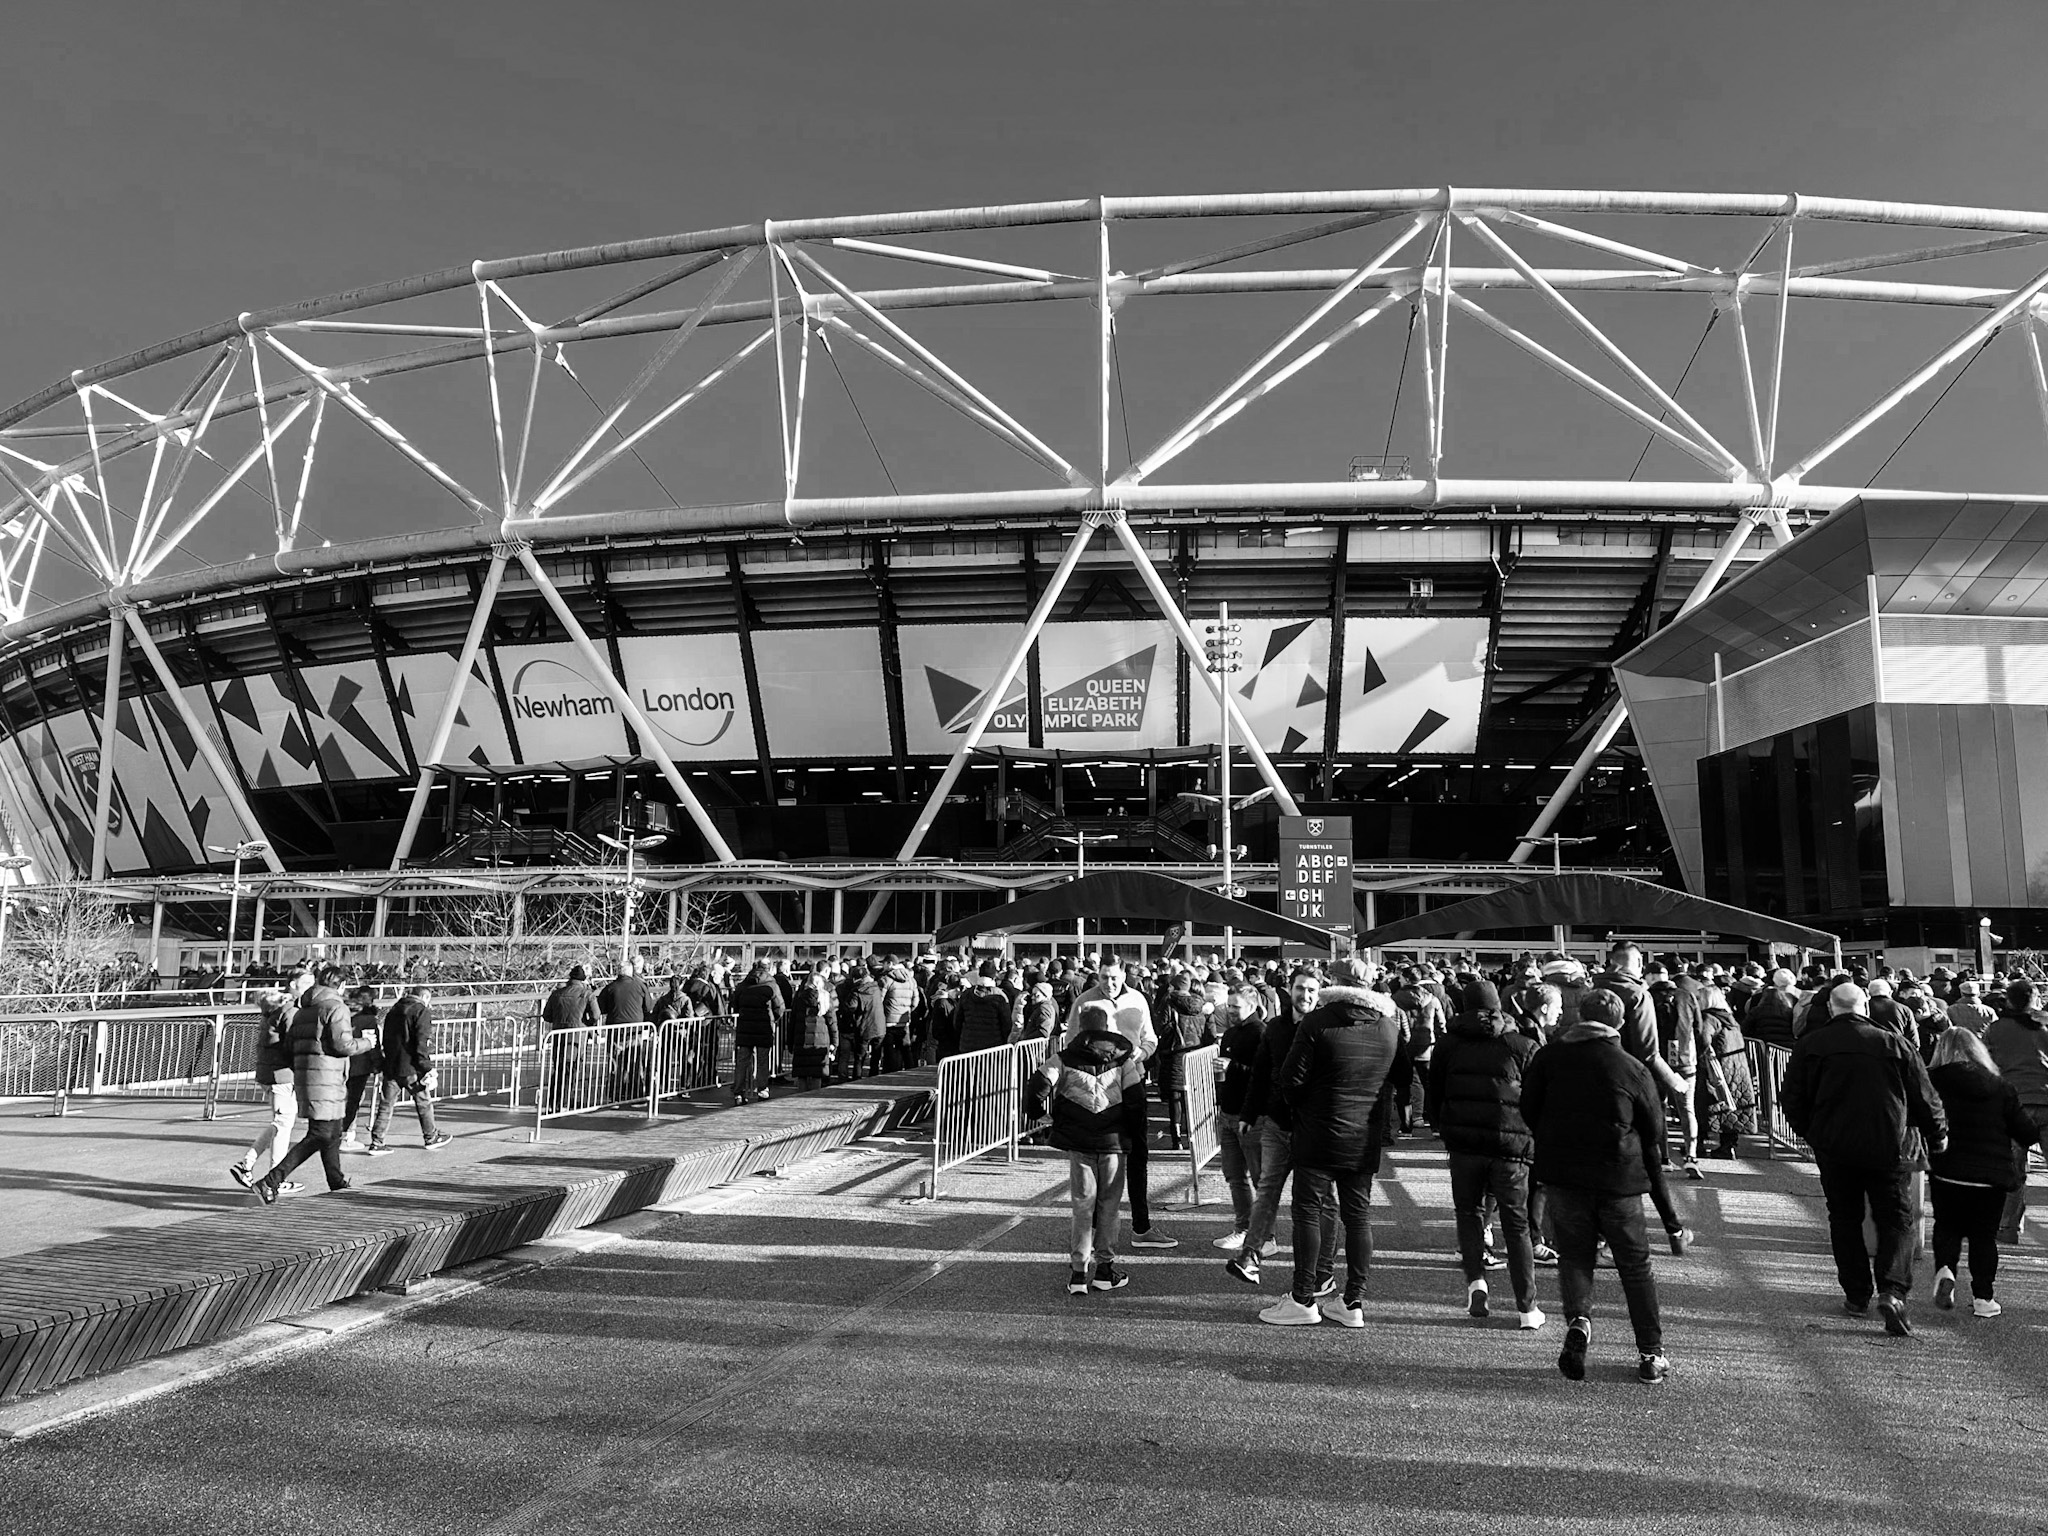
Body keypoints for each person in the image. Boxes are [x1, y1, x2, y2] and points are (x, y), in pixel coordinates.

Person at [1520, 987, 1671, 1383]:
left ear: (1579, 1016)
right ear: (1620, 1022)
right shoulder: (1631, 1067)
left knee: (1574, 1257)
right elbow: (1653, 1129)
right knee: (1635, 1266)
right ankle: (1651, 1352)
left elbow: (1529, 1109)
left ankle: (1579, 1321)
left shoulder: (1548, 1058)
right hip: (1619, 1179)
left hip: (1565, 1176)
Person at [1781, 981, 1949, 1336]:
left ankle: (1856, 1295)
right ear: (1866, 1008)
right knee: (1896, 1218)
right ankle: (1893, 1290)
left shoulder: (1811, 1045)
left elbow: (1792, 1098)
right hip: (1888, 1143)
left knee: (1844, 1218)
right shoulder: (1895, 1044)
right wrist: (1937, 1134)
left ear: (1832, 1009)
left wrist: (1813, 1134)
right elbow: (1924, 1096)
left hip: (1835, 1147)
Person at [1257, 957, 1404, 1329]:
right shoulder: (1388, 1026)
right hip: (1363, 1135)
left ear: (1333, 984)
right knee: (1358, 1217)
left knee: (1308, 1211)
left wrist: (1304, 1108)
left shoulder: (1317, 1022)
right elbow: (1403, 1077)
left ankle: (1303, 1298)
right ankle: (1353, 1301)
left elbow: (1290, 1079)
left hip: (1318, 1132)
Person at [1427, 976, 1544, 1329]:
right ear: (1498, 1006)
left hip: (1464, 1145)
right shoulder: (1522, 1045)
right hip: (1510, 1146)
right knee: (1516, 1223)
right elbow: (1538, 1100)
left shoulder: (1448, 1044)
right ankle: (1527, 1307)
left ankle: (1476, 1282)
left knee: (1469, 1213)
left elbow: (1435, 1094)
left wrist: (1444, 1126)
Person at [1027, 999, 1145, 1296]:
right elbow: (1136, 1101)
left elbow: (1037, 1085)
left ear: (1081, 1027)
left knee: (1082, 1206)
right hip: (1114, 1142)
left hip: (1079, 1142)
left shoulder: (1063, 1057)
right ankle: (1105, 1270)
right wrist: (1135, 1136)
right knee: (1109, 1206)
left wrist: (1038, 1114)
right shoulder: (1124, 1060)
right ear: (1108, 1026)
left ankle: (1078, 1273)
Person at [1926, 1027, 2039, 1318]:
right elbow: (2026, 1132)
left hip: (1947, 1170)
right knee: (1983, 1237)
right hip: (1991, 1177)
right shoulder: (2000, 1086)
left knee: (1947, 1226)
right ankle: (1983, 1298)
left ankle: (1946, 1270)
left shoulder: (1932, 1080)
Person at [1062, 956, 1173, 1249]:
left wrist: (1141, 1053)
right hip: (1098, 1089)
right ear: (1097, 975)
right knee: (1098, 1157)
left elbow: (1150, 1038)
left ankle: (1141, 1227)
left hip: (1132, 1083)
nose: (1109, 983)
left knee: (1138, 1155)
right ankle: (1093, 1233)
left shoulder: (1137, 999)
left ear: (1124, 975)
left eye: (1114, 977)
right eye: (1104, 977)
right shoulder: (1084, 1001)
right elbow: (1071, 1043)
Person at [1227, 967, 1322, 1285]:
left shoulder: (1325, 1027)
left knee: (1319, 1201)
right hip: (1277, 1123)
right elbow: (1260, 1073)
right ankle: (1250, 1255)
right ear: (1290, 990)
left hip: (1312, 1127)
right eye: (1300, 988)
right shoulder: (1276, 1028)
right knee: (1267, 1188)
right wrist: (1248, 1114)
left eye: (1311, 989)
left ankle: (1320, 1272)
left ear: (1319, 993)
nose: (1305, 995)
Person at [253, 965, 377, 1203]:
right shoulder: (336, 1007)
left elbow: (290, 1045)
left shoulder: (304, 1008)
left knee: (332, 1132)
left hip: (307, 1076)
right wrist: (366, 1042)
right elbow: (343, 1045)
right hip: (327, 1077)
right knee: (320, 1134)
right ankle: (271, 1180)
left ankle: (336, 1181)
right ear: (341, 985)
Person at [1985, 980, 2048, 1244]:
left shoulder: (1996, 1029)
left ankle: (2007, 1227)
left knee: (2013, 1170)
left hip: (2013, 1104)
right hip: (2045, 1098)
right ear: (2035, 1000)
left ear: (2008, 1001)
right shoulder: (2044, 1027)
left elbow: (1986, 1065)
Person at [227, 989, 304, 1196]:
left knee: (279, 1123)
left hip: (269, 1075)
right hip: (282, 1076)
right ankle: (274, 1176)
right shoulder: (285, 1016)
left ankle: (248, 1163)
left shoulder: (268, 1018)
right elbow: (292, 1045)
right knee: (282, 1125)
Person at [1211, 978, 1267, 1252]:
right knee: (1234, 1177)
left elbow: (1265, 1075)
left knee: (1259, 1180)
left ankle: (1265, 1236)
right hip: (1228, 1113)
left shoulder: (1261, 1033)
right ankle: (1243, 1229)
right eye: (1229, 1005)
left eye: (1236, 1006)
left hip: (1252, 1117)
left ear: (1252, 1006)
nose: (1230, 1011)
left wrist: (1232, 1067)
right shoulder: (1232, 1033)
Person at [369, 984, 449, 1151]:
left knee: (386, 1104)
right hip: (411, 1066)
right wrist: (426, 1067)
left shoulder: (394, 1009)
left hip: (392, 1064)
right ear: (425, 997)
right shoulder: (421, 1011)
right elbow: (421, 1042)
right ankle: (431, 1136)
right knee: (423, 1102)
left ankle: (377, 1141)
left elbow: (387, 1038)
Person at [1699, 986, 1755, 1159]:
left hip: (1716, 1068)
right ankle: (1728, 1146)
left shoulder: (1709, 1018)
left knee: (1704, 1104)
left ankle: (1697, 1145)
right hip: (1737, 1067)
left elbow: (1703, 1039)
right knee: (1732, 1106)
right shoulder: (1730, 1019)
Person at [729, 962, 784, 1103]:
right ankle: (762, 1090)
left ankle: (738, 1092)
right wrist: (773, 1019)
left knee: (742, 1061)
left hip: (745, 1026)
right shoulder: (771, 986)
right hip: (764, 1027)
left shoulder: (742, 985)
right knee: (763, 1060)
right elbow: (779, 1007)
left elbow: (734, 1004)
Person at [338, 985, 384, 1151]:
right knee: (353, 1100)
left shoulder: (341, 1013)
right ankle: (346, 1135)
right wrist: (378, 1063)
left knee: (341, 1099)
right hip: (359, 1063)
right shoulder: (368, 1019)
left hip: (340, 1063)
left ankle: (339, 1133)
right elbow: (372, 1044)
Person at [790, 971, 837, 1090]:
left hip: (802, 1038)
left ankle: (800, 1097)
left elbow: (792, 1020)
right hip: (820, 1040)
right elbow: (832, 1022)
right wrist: (835, 1042)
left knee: (802, 1073)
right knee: (817, 1073)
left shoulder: (799, 997)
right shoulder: (825, 998)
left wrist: (790, 1042)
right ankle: (814, 1097)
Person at [954, 968, 1014, 1054]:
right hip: (992, 1046)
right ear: (994, 977)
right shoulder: (1000, 996)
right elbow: (1006, 1023)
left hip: (968, 1045)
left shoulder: (966, 994)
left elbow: (957, 1020)